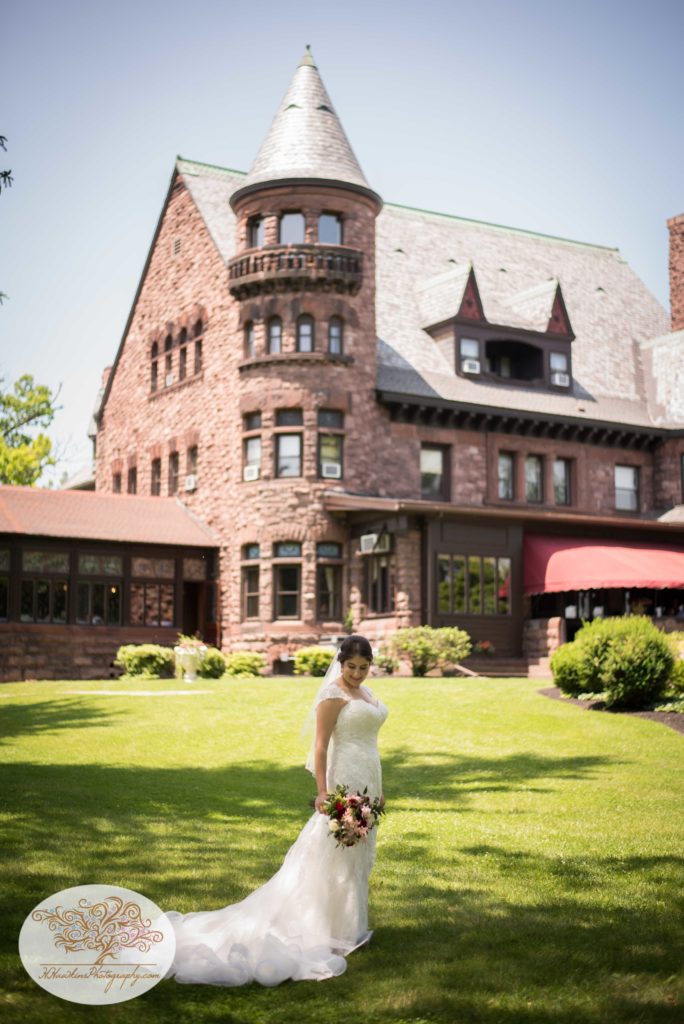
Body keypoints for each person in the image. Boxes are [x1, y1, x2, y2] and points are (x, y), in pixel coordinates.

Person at [163, 634, 389, 987]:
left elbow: (371, 743)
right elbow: (319, 747)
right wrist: (323, 792)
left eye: (363, 668)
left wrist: (380, 788)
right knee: (333, 853)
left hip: (369, 778)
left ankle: (346, 926)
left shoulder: (367, 694)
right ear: (341, 664)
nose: (357, 674)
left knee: (357, 855)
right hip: (343, 780)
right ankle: (320, 927)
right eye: (351, 668)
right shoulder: (333, 696)